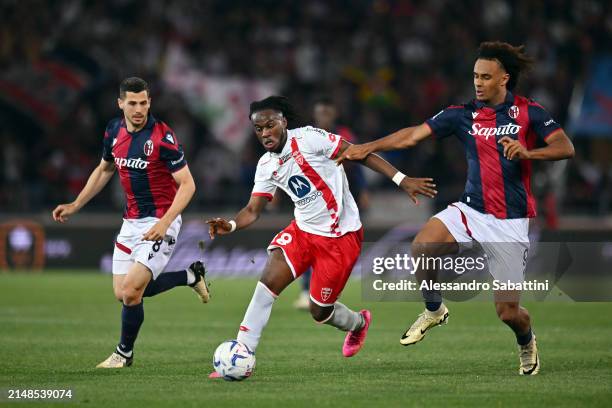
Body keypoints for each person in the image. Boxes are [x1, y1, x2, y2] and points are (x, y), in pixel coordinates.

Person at [337, 41, 575, 375]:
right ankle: (434, 309)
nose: (478, 82)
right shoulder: (461, 115)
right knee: (422, 246)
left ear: (504, 78)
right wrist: (368, 147)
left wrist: (528, 153)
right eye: (475, 76)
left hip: (510, 221)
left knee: (508, 313)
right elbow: (411, 136)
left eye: (486, 77)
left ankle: (526, 342)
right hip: (471, 209)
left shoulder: (529, 111)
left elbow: (565, 147)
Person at [206, 96, 436, 377]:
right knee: (267, 283)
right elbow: (253, 210)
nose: (265, 133)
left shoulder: (310, 139)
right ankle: (242, 353)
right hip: (303, 232)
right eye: (258, 129)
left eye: (270, 125)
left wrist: (402, 180)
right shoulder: (266, 165)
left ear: (283, 122)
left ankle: (358, 324)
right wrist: (229, 225)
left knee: (319, 311)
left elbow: (360, 153)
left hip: (340, 239)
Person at [52, 77, 210, 368]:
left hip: (161, 220)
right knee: (124, 292)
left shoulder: (163, 137)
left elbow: (188, 185)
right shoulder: (113, 130)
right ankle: (190, 276)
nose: (139, 109)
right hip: (131, 223)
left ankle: (123, 353)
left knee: (130, 292)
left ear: (150, 102)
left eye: (144, 102)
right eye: (133, 103)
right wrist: (75, 204)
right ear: (121, 103)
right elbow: (104, 169)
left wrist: (165, 222)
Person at [294, 97, 370, 310]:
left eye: (327, 113)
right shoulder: (305, 136)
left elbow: (358, 159)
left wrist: (363, 189)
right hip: (313, 197)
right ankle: (305, 291)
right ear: (315, 115)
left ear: (334, 114)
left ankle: (327, 291)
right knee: (310, 244)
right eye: (320, 113)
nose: (324, 116)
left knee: (338, 244)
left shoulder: (344, 135)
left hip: (343, 195)